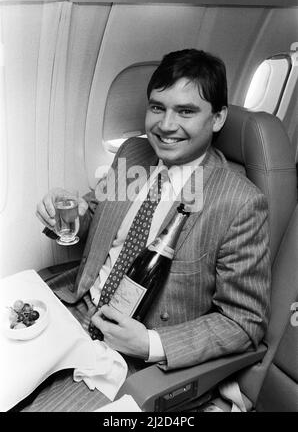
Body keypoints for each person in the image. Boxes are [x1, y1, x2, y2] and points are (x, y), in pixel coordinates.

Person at [24, 49, 270, 411]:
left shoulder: (239, 202)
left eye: (186, 111)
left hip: (133, 348)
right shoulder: (133, 154)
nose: (166, 125)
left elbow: (244, 322)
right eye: (157, 107)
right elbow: (96, 216)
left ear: (218, 118)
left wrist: (150, 343)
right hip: (77, 305)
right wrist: (73, 215)